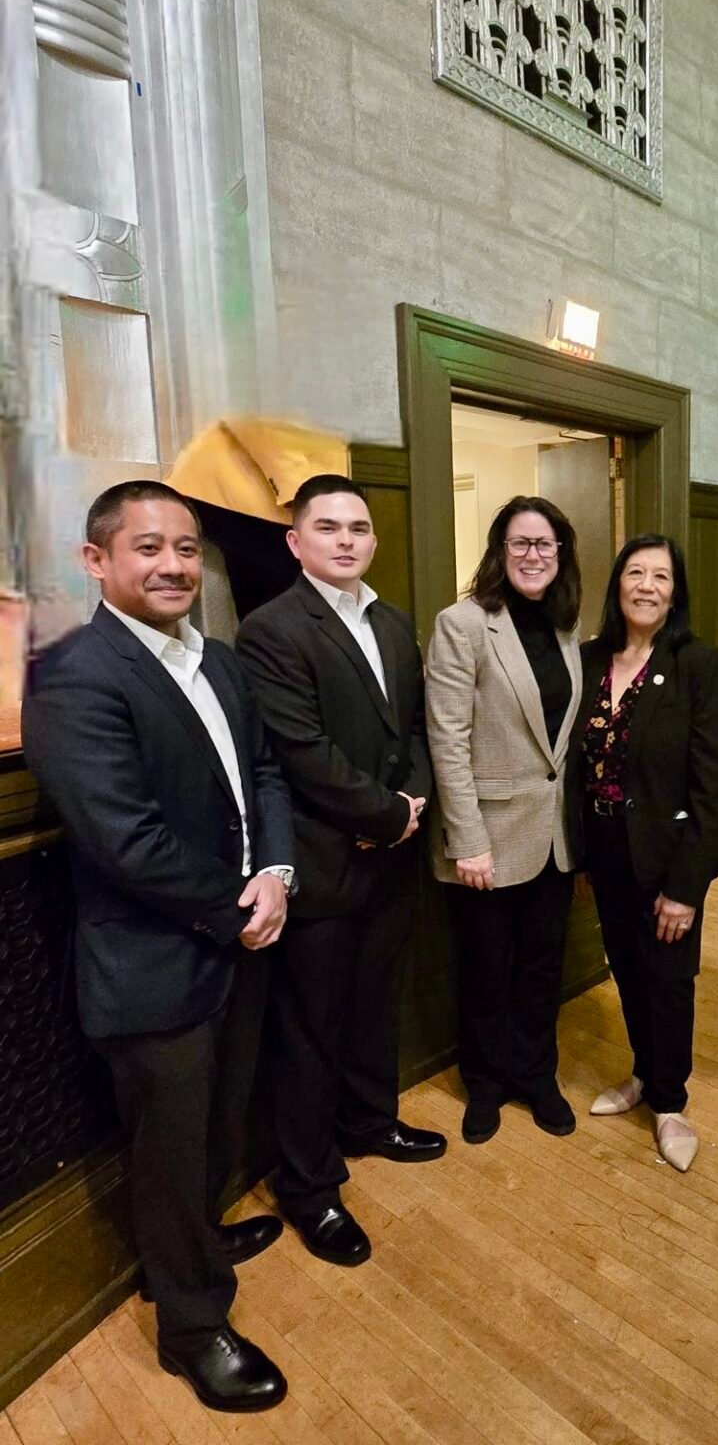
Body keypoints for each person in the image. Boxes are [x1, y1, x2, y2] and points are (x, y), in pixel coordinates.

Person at [21, 482, 293, 1413]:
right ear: (97, 561)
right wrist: (237, 902)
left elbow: (261, 772)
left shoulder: (217, 661)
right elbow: (125, 840)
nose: (174, 564)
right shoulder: (69, 674)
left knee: (218, 1122)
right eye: (148, 548)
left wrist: (279, 876)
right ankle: (191, 1323)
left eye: (185, 547)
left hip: (243, 933)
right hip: (154, 959)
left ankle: (195, 1247)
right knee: (171, 1145)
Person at [235, 475, 444, 1269]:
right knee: (309, 1031)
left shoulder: (392, 622)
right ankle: (308, 1184)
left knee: (371, 1007)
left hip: (392, 857)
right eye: (328, 527)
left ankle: (369, 1121)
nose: (347, 539)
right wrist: (387, 815)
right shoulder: (271, 629)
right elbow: (300, 752)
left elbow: (415, 729)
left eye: (358, 526)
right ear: (296, 542)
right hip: (323, 866)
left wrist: (413, 801)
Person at [566, 535, 718, 1172]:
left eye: (660, 576)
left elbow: (713, 784)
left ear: (675, 591)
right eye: (635, 573)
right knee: (628, 970)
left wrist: (687, 886)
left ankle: (669, 1101)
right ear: (616, 585)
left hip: (669, 856)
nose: (646, 585)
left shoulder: (699, 664)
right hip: (606, 848)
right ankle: (641, 1074)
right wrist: (581, 853)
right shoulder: (587, 659)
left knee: (668, 979)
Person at [426, 496, 582, 1145]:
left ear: (561, 554)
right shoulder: (463, 624)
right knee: (486, 971)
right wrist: (467, 840)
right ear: (498, 551)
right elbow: (447, 738)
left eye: (544, 544)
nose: (532, 556)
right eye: (519, 543)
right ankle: (486, 1084)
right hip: (485, 842)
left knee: (542, 967)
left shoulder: (570, 627)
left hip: (554, 839)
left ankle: (535, 1075)